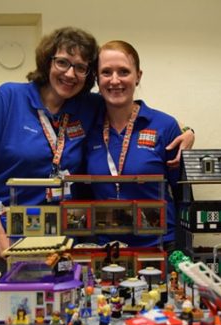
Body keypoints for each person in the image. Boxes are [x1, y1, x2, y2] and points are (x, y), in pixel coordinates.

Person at [0, 28, 194, 260]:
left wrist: (187, 132)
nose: (70, 74)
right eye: (63, 62)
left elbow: (130, 109)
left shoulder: (86, 107)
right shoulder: (10, 97)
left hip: (59, 240)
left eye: (80, 67)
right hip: (3, 232)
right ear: (48, 62)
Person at [86, 40, 182, 249]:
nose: (115, 80)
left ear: (138, 76)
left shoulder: (164, 126)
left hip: (159, 246)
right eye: (106, 72)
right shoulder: (88, 129)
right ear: (97, 78)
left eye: (123, 71)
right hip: (106, 248)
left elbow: (182, 192)